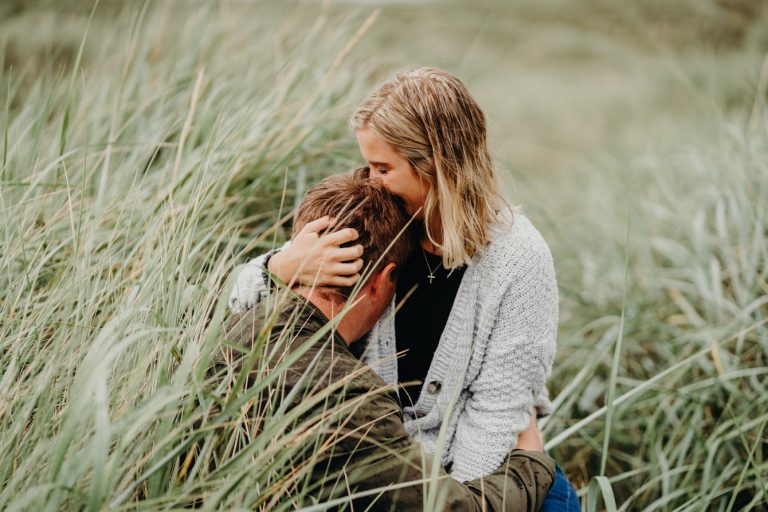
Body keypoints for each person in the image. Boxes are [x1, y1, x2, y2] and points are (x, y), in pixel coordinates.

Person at [229, 67, 579, 508]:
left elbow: (496, 413)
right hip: (383, 471)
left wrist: (450, 501)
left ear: (436, 166)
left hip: (487, 485)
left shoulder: (519, 258)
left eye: (383, 168)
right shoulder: (378, 217)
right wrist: (282, 265)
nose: (370, 180)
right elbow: (245, 313)